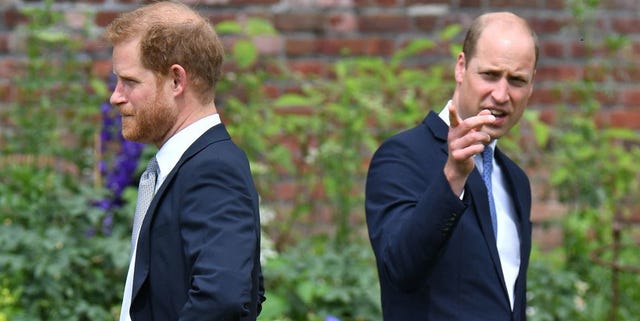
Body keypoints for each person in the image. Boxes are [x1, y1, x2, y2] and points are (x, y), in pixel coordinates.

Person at [365, 12, 538, 321]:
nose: (501, 94)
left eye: (517, 80)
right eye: (490, 74)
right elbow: (399, 269)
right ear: (461, 68)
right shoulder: (401, 157)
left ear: (531, 86)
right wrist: (452, 178)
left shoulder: (515, 180)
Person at [105, 2, 265, 320]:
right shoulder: (183, 167)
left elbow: (222, 301)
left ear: (177, 81)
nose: (115, 96)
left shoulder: (213, 170)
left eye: (130, 82)